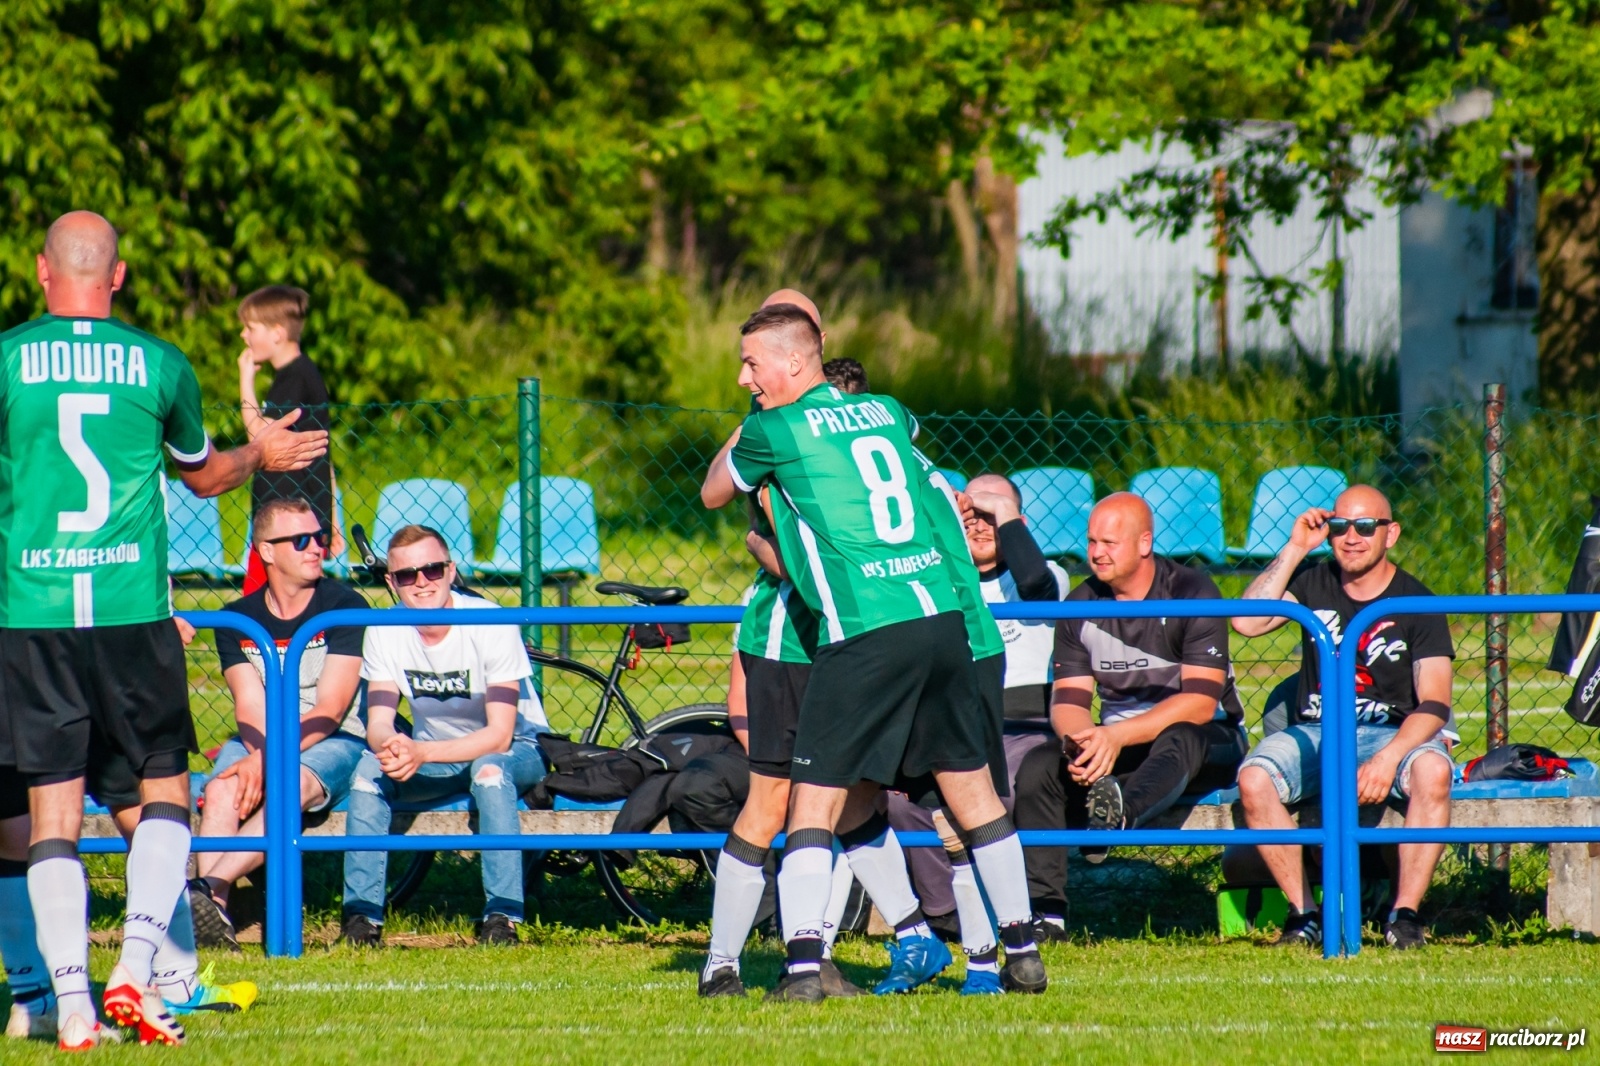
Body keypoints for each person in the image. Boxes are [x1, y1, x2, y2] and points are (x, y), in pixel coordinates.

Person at [0, 211, 326, 1049]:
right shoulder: (157, 363)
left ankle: (69, 1006)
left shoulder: (6, 358)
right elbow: (206, 477)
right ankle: (137, 971)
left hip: (31, 616)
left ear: (41, 271)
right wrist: (261, 454)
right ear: (117, 276)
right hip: (130, 614)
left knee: (49, 815)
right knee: (163, 794)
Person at [702, 303, 1045, 1001]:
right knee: (971, 794)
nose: (744, 379)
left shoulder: (773, 429)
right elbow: (899, 442)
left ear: (796, 359)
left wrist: (751, 426)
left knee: (811, 803)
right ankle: (1021, 952)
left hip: (864, 630)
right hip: (944, 622)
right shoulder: (887, 410)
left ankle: (802, 968)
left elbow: (713, 492)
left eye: (751, 364)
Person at [699, 296, 864, 1000]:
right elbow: (720, 499)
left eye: (752, 363)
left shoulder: (854, 415)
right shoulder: (767, 430)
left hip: (851, 637)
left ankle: (819, 955)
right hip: (788, 639)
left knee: (852, 802)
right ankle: (721, 965)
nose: (746, 376)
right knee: (772, 804)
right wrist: (749, 425)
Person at [1231, 485, 1455, 950]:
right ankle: (1305, 914)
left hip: (1393, 734)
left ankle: (1405, 915)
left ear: (1391, 534)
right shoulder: (1313, 582)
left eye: (1365, 526)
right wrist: (1296, 548)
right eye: (1340, 526)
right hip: (1318, 731)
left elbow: (1435, 703)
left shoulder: (1418, 601)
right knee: (1254, 779)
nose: (1351, 537)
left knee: (1433, 771)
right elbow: (1247, 622)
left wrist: (1388, 759)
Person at [1013, 493, 1246, 937]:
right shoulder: (1080, 605)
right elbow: (1068, 701)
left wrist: (1115, 738)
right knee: (1040, 766)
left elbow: (1200, 702)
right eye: (1091, 542)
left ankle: (1115, 820)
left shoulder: (1192, 592)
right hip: (1121, 742)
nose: (1096, 553)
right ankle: (1047, 914)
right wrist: (1083, 745)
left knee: (1181, 736)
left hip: (1207, 738)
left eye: (1109, 543)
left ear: (1144, 543)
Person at [341, 525, 549, 947]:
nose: (421, 582)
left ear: (451, 571)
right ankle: (361, 918)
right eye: (407, 575)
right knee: (367, 773)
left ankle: (502, 916)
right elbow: (378, 721)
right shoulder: (383, 629)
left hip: (516, 749)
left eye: (432, 569)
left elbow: (500, 735)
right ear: (391, 582)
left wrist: (421, 751)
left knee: (490, 771)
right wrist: (392, 747)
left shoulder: (490, 621)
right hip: (435, 754)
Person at [886, 472, 1069, 947]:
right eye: (972, 514)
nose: (979, 524)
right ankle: (945, 913)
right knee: (900, 804)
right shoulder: (939, 580)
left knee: (996, 796)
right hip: (952, 717)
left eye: (992, 516)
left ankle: (1027, 911)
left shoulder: (1046, 573)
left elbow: (1035, 585)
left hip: (1023, 722)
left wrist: (1002, 511)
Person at [191, 497, 368, 945]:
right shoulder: (237, 619)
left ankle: (204, 889)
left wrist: (267, 761)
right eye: (301, 540)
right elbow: (249, 706)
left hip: (334, 738)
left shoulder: (346, 605)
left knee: (292, 784)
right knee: (222, 789)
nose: (317, 548)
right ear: (266, 550)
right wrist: (262, 757)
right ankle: (214, 919)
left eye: (320, 537)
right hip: (262, 738)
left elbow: (330, 709)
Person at [238, 285, 342, 591]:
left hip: (288, 528)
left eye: (250, 328)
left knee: (262, 604)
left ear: (277, 333)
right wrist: (333, 520)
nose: (244, 335)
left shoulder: (297, 378)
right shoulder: (294, 376)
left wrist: (245, 380)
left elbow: (258, 435)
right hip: (287, 521)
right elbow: (321, 452)